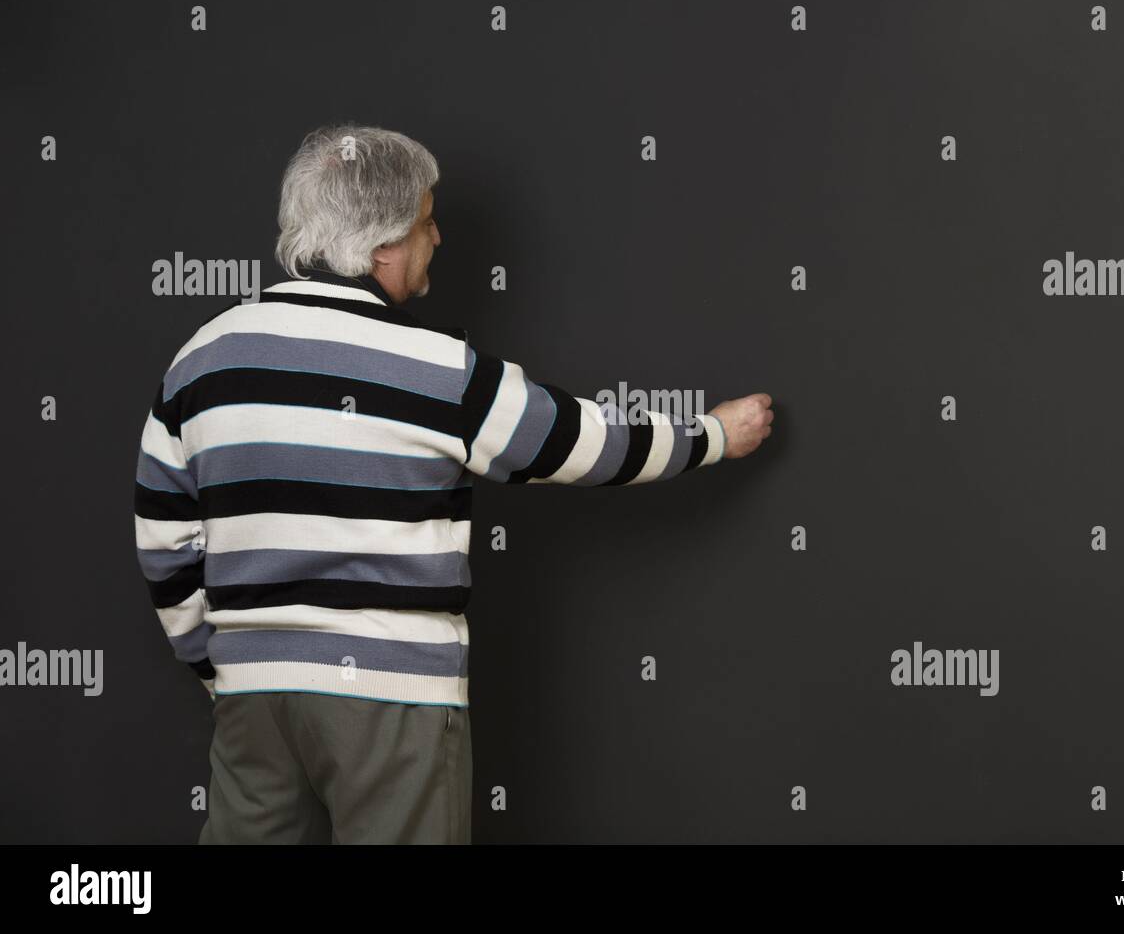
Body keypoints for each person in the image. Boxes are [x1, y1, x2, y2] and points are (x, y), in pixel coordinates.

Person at [132, 123, 774, 844]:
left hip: (253, 700)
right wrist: (714, 434)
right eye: (427, 224)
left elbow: (163, 541)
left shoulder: (201, 359)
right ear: (382, 244)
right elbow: (587, 442)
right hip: (391, 698)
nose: (437, 241)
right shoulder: (437, 368)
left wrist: (218, 669)